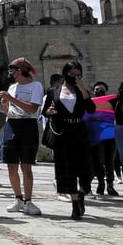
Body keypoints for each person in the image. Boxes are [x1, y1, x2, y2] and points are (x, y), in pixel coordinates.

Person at [42, 61, 95, 219]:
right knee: (67, 169)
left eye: (78, 74)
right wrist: (49, 111)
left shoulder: (81, 92)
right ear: (65, 74)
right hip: (63, 133)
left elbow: (91, 109)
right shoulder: (54, 91)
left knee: (87, 170)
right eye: (72, 74)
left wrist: (83, 89)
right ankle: (74, 204)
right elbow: (45, 111)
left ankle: (81, 192)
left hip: (79, 131)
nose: (75, 77)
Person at [0, 58, 44, 215]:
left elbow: (32, 109)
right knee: (11, 165)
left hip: (28, 125)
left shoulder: (36, 86)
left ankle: (28, 201)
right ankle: (17, 198)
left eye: (13, 69)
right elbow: (9, 111)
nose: (11, 72)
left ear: (21, 70)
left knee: (26, 166)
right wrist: (5, 104)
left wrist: (11, 99)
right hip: (11, 124)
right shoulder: (12, 87)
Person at [89, 81, 119, 196]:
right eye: (96, 89)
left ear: (106, 91)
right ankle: (101, 183)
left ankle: (110, 185)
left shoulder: (112, 103)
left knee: (109, 161)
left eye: (101, 89)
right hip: (95, 137)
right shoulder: (90, 104)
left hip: (110, 136)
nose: (98, 91)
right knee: (98, 161)